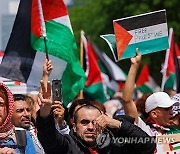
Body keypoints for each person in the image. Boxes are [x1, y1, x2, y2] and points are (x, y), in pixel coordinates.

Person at [36, 81, 156, 154]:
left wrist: (118, 124)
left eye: (95, 122)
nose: (90, 127)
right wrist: (45, 113)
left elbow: (148, 146)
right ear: (74, 125)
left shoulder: (115, 144)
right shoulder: (67, 146)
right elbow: (48, 137)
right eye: (84, 122)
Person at [122, 49, 180, 135]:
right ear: (154, 114)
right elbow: (127, 101)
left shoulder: (176, 130)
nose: (172, 112)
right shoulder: (145, 131)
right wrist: (134, 66)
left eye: (171, 108)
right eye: (167, 109)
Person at [0, 82, 36, 154]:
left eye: (0, 104)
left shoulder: (23, 137)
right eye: (20, 111)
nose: (26, 114)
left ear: (8, 108)